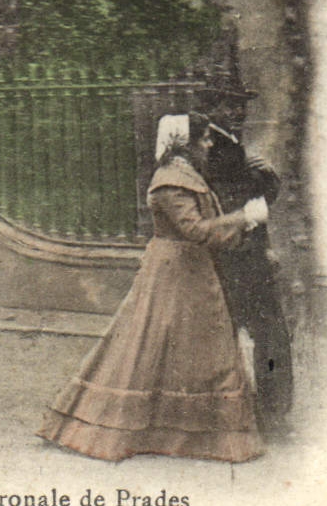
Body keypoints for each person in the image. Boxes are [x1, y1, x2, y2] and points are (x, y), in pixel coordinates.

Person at [37, 113, 267, 462]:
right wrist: (244, 217)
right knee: (151, 345)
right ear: (184, 144)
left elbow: (204, 231)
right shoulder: (171, 180)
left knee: (190, 347)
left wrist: (239, 224)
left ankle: (180, 432)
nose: (208, 145)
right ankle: (126, 427)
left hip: (191, 271)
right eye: (203, 139)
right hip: (174, 273)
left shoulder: (185, 176)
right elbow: (196, 230)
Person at [194, 80, 292, 437]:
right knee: (267, 333)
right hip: (241, 256)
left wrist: (265, 177)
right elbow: (247, 203)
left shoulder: (227, 144)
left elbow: (256, 202)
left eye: (242, 105)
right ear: (214, 108)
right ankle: (270, 412)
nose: (239, 112)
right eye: (231, 105)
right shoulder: (222, 149)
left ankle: (252, 412)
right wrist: (266, 177)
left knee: (244, 332)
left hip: (239, 252)